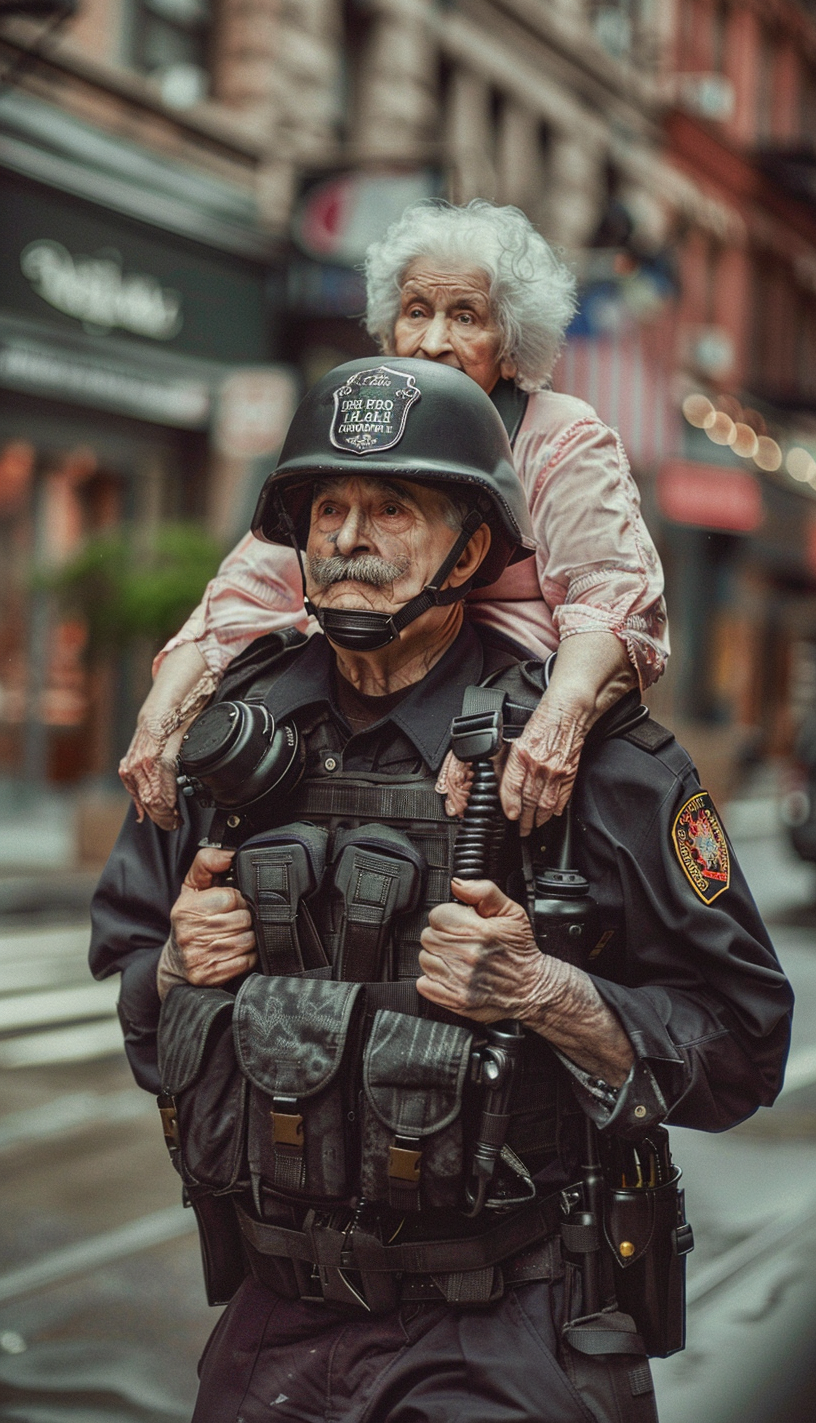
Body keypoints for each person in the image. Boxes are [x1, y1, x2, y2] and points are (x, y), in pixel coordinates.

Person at [91, 359, 791, 1423]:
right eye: (327, 505)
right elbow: (136, 983)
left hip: (501, 1329)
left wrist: (547, 991)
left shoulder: (588, 760)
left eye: (391, 507)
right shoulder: (222, 742)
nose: (347, 535)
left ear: (471, 545)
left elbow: (744, 1045)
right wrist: (177, 967)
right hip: (272, 1326)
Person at [119, 200, 668, 836]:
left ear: (512, 341)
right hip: (361, 701)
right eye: (417, 312)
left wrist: (546, 721)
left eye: (465, 317)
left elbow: (613, 598)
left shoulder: (563, 437)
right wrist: (161, 716)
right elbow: (252, 591)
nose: (433, 342)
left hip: (502, 711)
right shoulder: (360, 422)